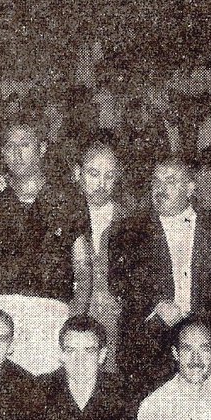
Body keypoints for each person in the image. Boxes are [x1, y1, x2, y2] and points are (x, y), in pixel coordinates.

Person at [0, 121, 92, 375]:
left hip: (49, 313)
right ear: (2, 152)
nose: (17, 153)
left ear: (41, 148)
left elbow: (83, 268)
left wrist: (72, 321)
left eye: (25, 145)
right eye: (10, 146)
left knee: (41, 399)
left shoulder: (68, 198)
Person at [109, 157, 211, 402]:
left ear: (191, 187)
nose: (161, 188)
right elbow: (117, 283)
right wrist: (155, 306)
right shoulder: (128, 229)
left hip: (200, 347)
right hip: (148, 344)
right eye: (156, 181)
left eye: (171, 180)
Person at [76, 142, 128, 366]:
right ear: (78, 173)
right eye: (93, 174)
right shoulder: (62, 215)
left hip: (114, 327)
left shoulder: (129, 221)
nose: (101, 184)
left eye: (109, 176)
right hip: (73, 320)